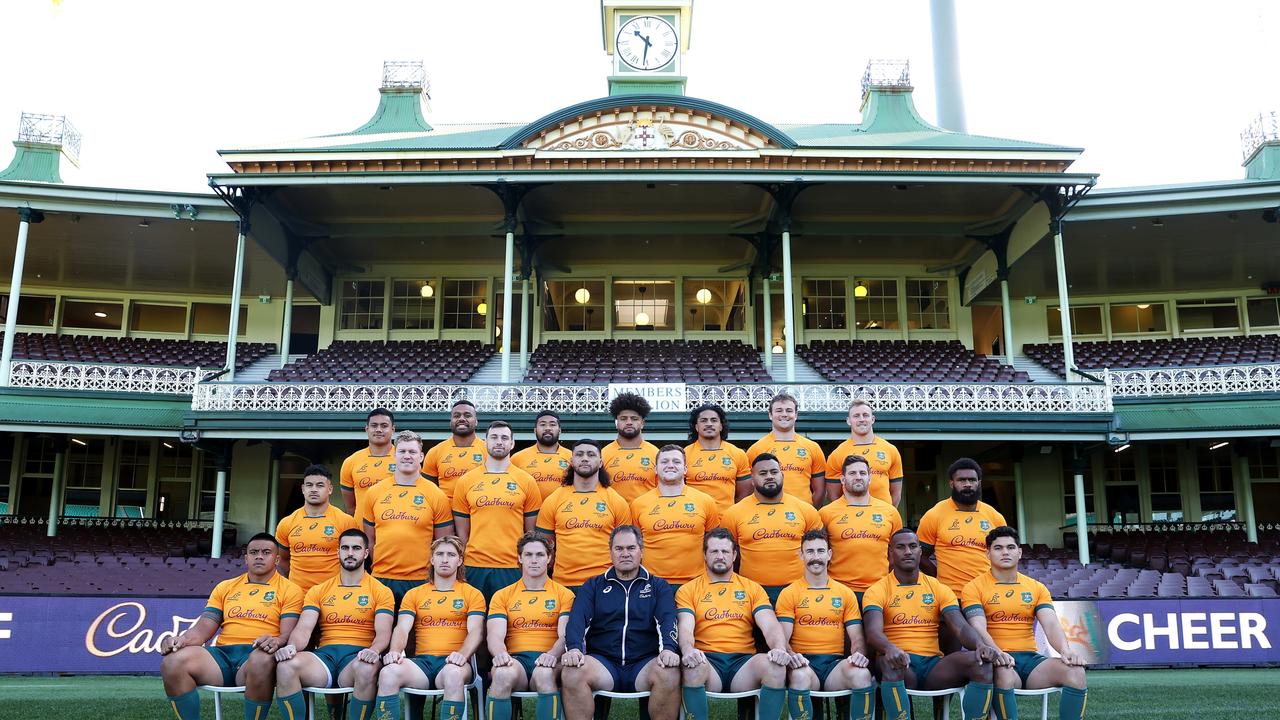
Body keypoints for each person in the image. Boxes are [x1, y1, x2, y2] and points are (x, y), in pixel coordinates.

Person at [159, 532, 304, 720]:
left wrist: (276, 641)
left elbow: (287, 634)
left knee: (260, 658)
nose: (259, 556)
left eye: (266, 552)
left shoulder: (290, 589)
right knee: (172, 661)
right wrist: (181, 640)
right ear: (246, 558)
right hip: (223, 657)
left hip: (258, 656)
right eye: (254, 552)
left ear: (276, 559)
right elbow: (203, 628)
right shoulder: (225, 587)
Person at [862, 528, 999, 720]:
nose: (908, 551)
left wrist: (979, 645)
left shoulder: (938, 588)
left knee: (981, 663)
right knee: (889, 663)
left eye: (913, 546)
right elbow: (873, 632)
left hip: (933, 666)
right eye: (900, 547)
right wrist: (889, 648)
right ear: (890, 553)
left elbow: (960, 627)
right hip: (901, 664)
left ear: (920, 551)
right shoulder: (877, 590)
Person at [961, 526, 1088, 720]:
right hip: (997, 660)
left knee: (1076, 672)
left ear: (1019, 552)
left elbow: (1051, 624)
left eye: (1011, 547)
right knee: (1003, 673)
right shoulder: (973, 587)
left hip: (1031, 662)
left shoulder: (1036, 588)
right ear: (987, 553)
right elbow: (978, 627)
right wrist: (998, 653)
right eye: (998, 548)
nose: (1005, 552)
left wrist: (1065, 650)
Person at [561, 525, 681, 720]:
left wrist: (668, 649)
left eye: (631, 548)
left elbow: (668, 620)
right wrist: (573, 648)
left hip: (644, 663)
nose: (625, 553)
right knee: (572, 672)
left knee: (668, 672)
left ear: (641, 551)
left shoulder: (658, 586)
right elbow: (577, 621)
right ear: (610, 553)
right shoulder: (593, 585)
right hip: (603, 663)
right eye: (619, 549)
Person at [272, 529, 395, 720]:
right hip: (325, 657)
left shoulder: (381, 591)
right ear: (338, 552)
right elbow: (304, 628)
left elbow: (383, 633)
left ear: (366, 553)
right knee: (286, 666)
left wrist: (375, 650)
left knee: (367, 668)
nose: (350, 553)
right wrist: (291, 647)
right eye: (345, 548)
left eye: (356, 548)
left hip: (357, 657)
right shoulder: (319, 590)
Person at [676, 528, 789, 720]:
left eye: (725, 552)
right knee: (693, 667)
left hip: (743, 664)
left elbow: (769, 624)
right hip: (708, 662)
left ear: (734, 555)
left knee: (775, 666)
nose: (720, 556)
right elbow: (685, 628)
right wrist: (688, 650)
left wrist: (779, 648)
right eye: (714, 551)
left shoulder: (752, 588)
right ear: (704, 554)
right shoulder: (688, 590)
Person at [375, 537, 487, 720]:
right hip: (423, 663)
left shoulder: (472, 594)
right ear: (432, 559)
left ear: (459, 560)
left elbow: (476, 632)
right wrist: (395, 651)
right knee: (388, 673)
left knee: (452, 673)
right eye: (439, 554)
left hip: (455, 663)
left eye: (451, 555)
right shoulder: (414, 594)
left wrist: (462, 655)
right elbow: (402, 628)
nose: (444, 559)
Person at [775, 529, 875, 720]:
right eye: (810, 551)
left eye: (820, 551)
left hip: (834, 665)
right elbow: (782, 638)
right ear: (801, 555)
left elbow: (857, 637)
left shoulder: (845, 593)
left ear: (829, 554)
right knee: (799, 677)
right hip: (804, 663)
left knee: (862, 675)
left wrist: (859, 655)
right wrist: (792, 655)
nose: (816, 557)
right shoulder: (789, 593)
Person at [358, 430, 456, 605]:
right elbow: (370, 540)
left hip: (421, 579)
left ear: (421, 457)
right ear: (394, 455)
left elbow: (443, 542)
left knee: (416, 632)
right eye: (402, 451)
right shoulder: (375, 492)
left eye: (412, 452)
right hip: (382, 578)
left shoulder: (435, 494)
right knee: (382, 630)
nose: (407, 456)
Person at [486, 533, 576, 720]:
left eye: (540, 555)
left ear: (549, 558)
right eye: (528, 555)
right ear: (519, 558)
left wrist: (551, 655)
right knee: (502, 674)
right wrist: (500, 654)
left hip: (549, 660)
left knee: (544, 674)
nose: (534, 560)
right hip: (516, 660)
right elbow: (494, 635)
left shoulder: (564, 594)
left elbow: (565, 635)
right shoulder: (503, 595)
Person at [452, 420, 542, 600]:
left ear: (512, 443)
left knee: (510, 624)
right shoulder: (466, 481)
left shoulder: (526, 481)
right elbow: (462, 533)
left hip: (512, 565)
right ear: (485, 443)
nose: (499, 442)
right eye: (494, 437)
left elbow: (530, 532)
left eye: (504, 438)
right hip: (474, 565)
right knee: (475, 622)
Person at [718, 452, 821, 603]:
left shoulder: (806, 510)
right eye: (763, 473)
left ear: (782, 475)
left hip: (799, 592)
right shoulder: (734, 513)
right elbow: (729, 556)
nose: (769, 476)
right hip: (751, 593)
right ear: (752, 480)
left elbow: (820, 553)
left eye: (774, 472)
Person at [534, 439, 631, 590]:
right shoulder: (554, 499)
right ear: (572, 461)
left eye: (591, 454)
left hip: (606, 584)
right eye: (579, 454)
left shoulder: (617, 501)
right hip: (563, 584)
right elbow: (545, 546)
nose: (585, 458)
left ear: (600, 462)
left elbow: (625, 547)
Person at [628, 444, 719, 588]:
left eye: (676, 462)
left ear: (685, 469)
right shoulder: (638, 504)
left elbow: (713, 544)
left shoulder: (705, 501)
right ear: (655, 469)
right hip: (651, 584)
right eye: (664, 462)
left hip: (696, 583)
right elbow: (634, 546)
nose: (670, 465)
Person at [917, 458, 1008, 596]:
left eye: (972, 480)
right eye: (961, 480)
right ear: (951, 483)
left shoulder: (994, 517)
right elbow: (919, 555)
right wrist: (937, 577)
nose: (967, 484)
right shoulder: (934, 515)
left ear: (979, 483)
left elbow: (1004, 555)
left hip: (987, 594)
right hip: (950, 596)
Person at [818, 455, 903, 601]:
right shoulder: (825, 513)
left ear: (870, 478)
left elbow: (897, 553)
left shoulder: (890, 512)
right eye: (852, 473)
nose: (858, 477)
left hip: (881, 590)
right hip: (839, 592)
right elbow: (818, 554)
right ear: (842, 479)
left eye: (862, 473)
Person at [275, 464, 360, 591]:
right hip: (298, 595)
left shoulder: (346, 522)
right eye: (309, 485)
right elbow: (283, 560)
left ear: (330, 489)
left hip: (333, 594)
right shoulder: (286, 523)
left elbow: (355, 561)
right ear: (303, 489)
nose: (314, 489)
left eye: (320, 485)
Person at [747, 393, 827, 506]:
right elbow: (749, 489)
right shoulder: (756, 449)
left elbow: (820, 490)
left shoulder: (813, 448)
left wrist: (809, 512)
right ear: (770, 415)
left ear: (796, 414)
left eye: (789, 410)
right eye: (779, 410)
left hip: (802, 515)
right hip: (767, 513)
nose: (784, 414)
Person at [824, 400, 903, 506]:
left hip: (881, 517)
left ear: (873, 419)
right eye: (856, 416)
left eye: (865, 415)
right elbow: (833, 495)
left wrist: (888, 513)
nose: (861, 419)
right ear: (848, 421)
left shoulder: (890, 450)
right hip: (851, 517)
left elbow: (896, 493)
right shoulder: (837, 454)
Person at [684, 403, 752, 511]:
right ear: (696, 427)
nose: (709, 424)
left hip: (726, 520)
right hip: (695, 519)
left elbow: (745, 494)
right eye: (703, 420)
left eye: (714, 420)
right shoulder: (684, 455)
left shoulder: (737, 453)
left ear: (721, 426)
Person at [423, 400, 487, 501]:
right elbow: (427, 490)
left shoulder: (488, 450)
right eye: (456, 416)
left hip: (477, 511)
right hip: (445, 513)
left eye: (467, 415)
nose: (461, 419)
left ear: (476, 421)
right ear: (450, 421)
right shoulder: (435, 452)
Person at [602, 392, 659, 503]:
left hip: (647, 515)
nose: (629, 422)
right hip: (615, 516)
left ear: (642, 423)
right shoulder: (603, 454)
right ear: (616, 423)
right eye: (623, 419)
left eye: (634, 419)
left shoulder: (655, 453)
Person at [340, 408, 397, 514]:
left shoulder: (404, 460)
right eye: (374, 425)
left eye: (384, 426)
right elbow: (350, 508)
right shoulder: (351, 461)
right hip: (361, 528)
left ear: (393, 429)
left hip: (393, 528)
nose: (378, 430)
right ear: (366, 429)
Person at [511, 410, 574, 500]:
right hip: (529, 513)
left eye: (552, 424)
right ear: (535, 430)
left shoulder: (573, 457)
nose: (547, 428)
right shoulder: (517, 458)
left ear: (559, 430)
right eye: (542, 424)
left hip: (563, 512)